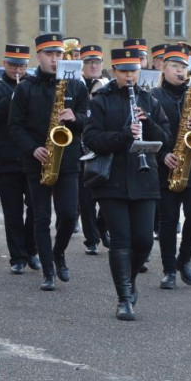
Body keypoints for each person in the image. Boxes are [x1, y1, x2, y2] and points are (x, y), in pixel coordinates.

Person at [83, 47, 169, 321]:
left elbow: (164, 136)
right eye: (124, 72)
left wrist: (149, 122)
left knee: (143, 241)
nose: (130, 76)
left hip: (145, 178)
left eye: (134, 71)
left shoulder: (149, 99)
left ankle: (129, 281)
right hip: (112, 180)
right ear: (115, 72)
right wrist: (123, 135)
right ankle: (123, 298)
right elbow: (92, 138)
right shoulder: (101, 101)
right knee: (121, 240)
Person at [7, 34, 89, 291]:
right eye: (49, 55)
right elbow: (15, 126)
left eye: (58, 55)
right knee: (41, 217)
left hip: (67, 159)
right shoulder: (25, 87)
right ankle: (48, 271)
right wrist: (33, 149)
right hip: (37, 159)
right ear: (39, 56)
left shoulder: (76, 86)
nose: (55, 60)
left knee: (67, 214)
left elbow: (89, 122)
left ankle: (59, 252)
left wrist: (75, 118)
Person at [151, 45, 191, 289]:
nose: (180, 71)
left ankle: (185, 258)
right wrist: (163, 155)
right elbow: (147, 131)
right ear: (164, 68)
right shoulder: (154, 96)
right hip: (167, 164)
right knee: (167, 220)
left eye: (183, 67)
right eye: (175, 66)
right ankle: (168, 269)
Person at [0, 44, 40, 274]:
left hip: (31, 154)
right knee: (12, 209)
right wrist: (14, 97)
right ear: (5, 64)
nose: (18, 70)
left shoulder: (34, 87)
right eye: (13, 65)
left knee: (36, 207)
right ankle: (17, 256)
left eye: (22, 66)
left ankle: (32, 249)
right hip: (5, 156)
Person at [78, 44, 109, 255]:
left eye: (96, 62)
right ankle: (91, 238)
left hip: (103, 145)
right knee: (86, 197)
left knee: (106, 193)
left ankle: (102, 227)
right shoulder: (75, 85)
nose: (93, 66)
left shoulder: (108, 85)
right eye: (89, 62)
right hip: (80, 146)